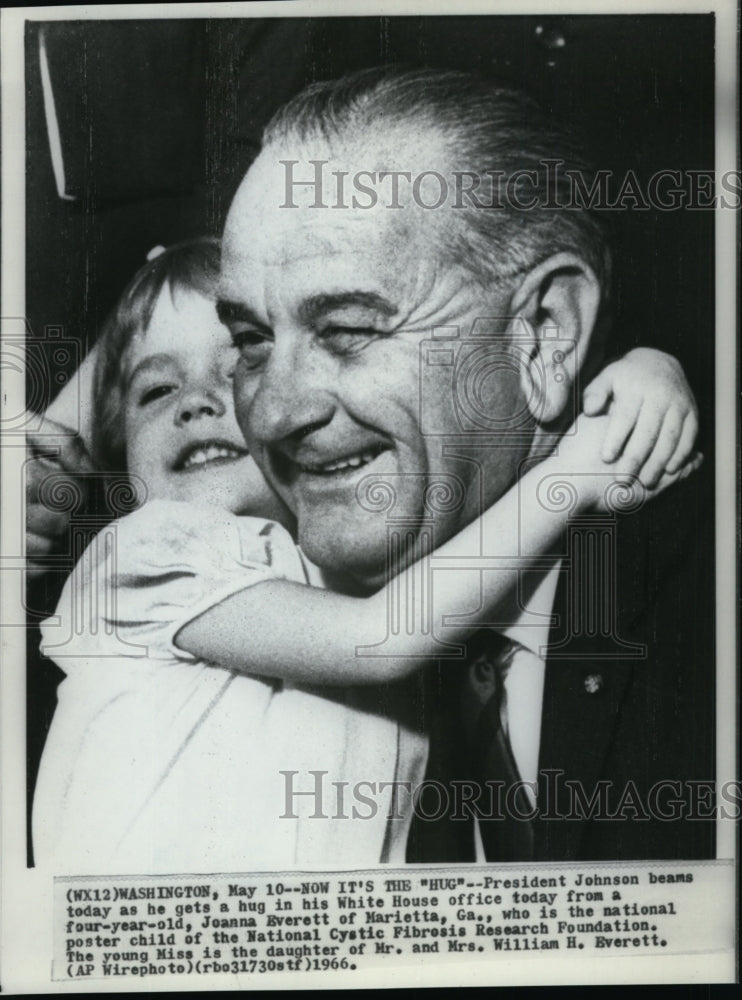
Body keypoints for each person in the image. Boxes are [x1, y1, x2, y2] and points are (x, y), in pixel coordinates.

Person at [32, 237, 697, 873]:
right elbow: (382, 636)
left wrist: (635, 376)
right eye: (156, 391)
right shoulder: (140, 557)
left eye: (233, 373)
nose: (196, 404)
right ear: (120, 462)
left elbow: (484, 467)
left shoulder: (349, 562)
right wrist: (577, 474)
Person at [217, 66, 714, 861]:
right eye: (249, 341)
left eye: (346, 329)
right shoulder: (256, 619)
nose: (275, 413)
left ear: (546, 334)